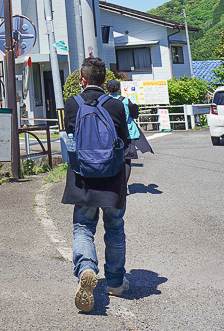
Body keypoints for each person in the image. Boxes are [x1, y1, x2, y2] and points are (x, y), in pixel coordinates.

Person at [62, 57, 132, 312]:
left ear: (82, 80)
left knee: (82, 228)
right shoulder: (115, 105)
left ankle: (87, 268)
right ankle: (114, 282)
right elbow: (123, 138)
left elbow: (70, 136)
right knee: (114, 228)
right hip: (112, 178)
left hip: (82, 179)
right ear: (104, 80)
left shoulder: (73, 104)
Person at [105, 79, 153, 180]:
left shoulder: (103, 101)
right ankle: (125, 184)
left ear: (107, 89)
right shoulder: (125, 100)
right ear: (119, 89)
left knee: (111, 159)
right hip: (128, 134)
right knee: (127, 160)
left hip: (109, 134)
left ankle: (113, 184)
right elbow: (135, 114)